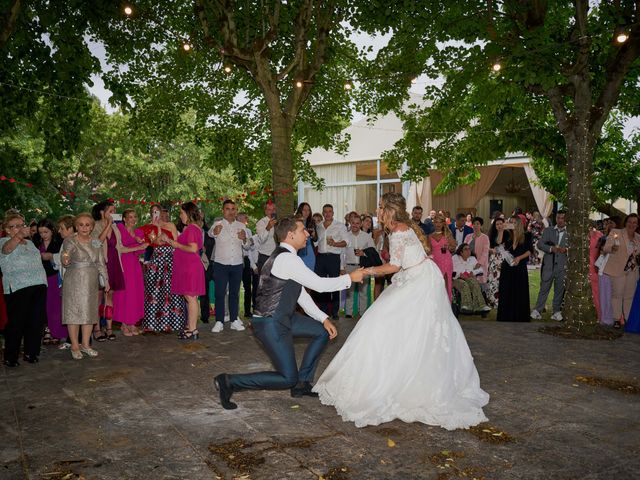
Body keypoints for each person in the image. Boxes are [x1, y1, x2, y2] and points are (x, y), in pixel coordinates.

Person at [313, 193, 489, 429]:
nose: (377, 211)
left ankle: (395, 381)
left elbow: (393, 266)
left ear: (388, 210)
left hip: (418, 282)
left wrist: (366, 271)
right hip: (421, 276)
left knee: (384, 322)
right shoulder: (404, 227)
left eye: (380, 207)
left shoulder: (396, 232)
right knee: (409, 327)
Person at [214, 216, 365, 410]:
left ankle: (302, 384)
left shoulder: (288, 258)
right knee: (287, 378)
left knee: (321, 332)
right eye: (303, 230)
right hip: (270, 323)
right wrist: (350, 278)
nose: (308, 234)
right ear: (290, 234)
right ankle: (230, 381)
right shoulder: (286, 259)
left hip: (284, 317)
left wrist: (323, 318)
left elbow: (300, 293)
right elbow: (318, 285)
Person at [0, 213, 48, 366]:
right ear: (7, 229)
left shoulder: (30, 243)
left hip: (39, 285)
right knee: (16, 323)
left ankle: (31, 353)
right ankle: (10, 357)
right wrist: (19, 236)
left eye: (22, 225)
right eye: (16, 226)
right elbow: (6, 251)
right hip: (18, 287)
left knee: (36, 321)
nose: (21, 228)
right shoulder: (3, 241)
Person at [61, 213, 109, 360]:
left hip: (91, 281)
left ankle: (86, 345)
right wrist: (66, 259)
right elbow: (65, 256)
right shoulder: (70, 240)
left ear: (92, 227)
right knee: (73, 313)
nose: (84, 227)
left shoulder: (95, 242)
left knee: (89, 313)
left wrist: (106, 280)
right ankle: (75, 346)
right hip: (73, 280)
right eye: (81, 224)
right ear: (76, 226)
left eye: (87, 225)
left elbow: (100, 262)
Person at [162, 202, 205, 339]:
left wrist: (174, 243)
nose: (180, 215)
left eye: (181, 212)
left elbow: (193, 249)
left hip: (190, 267)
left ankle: (193, 329)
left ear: (188, 213)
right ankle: (191, 327)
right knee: (189, 298)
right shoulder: (191, 228)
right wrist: (169, 241)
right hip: (187, 266)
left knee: (191, 298)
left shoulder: (192, 228)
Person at [140, 205, 186, 332]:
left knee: (170, 291)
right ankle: (151, 325)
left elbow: (176, 242)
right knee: (154, 291)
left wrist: (160, 226)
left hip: (170, 259)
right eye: (154, 212)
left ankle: (170, 324)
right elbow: (157, 242)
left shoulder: (171, 225)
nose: (156, 213)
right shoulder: (149, 227)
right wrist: (156, 227)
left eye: (158, 211)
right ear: (151, 213)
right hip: (157, 260)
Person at [210, 199, 250, 333]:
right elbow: (211, 233)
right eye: (228, 209)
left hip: (237, 264)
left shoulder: (242, 225)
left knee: (235, 293)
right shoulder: (217, 224)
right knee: (220, 294)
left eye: (233, 209)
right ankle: (219, 321)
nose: (231, 212)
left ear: (236, 211)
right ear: (223, 210)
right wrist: (215, 231)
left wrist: (244, 238)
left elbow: (248, 245)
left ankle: (234, 320)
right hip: (221, 264)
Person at [91, 200, 124, 341]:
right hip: (100, 264)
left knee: (110, 296)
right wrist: (108, 225)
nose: (113, 213)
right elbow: (96, 242)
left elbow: (120, 247)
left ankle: (109, 328)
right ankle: (97, 329)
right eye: (111, 211)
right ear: (102, 212)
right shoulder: (95, 226)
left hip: (114, 263)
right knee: (98, 297)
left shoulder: (116, 228)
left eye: (114, 211)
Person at [601, 213, 640, 328]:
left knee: (629, 296)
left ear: (637, 225)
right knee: (617, 294)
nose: (631, 224)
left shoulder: (638, 238)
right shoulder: (616, 232)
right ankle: (616, 319)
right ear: (625, 222)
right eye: (629, 222)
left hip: (632, 270)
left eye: (634, 222)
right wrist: (612, 248)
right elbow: (606, 247)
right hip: (617, 269)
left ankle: (628, 319)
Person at [113, 210, 147, 336]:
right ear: (124, 219)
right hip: (123, 264)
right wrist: (137, 245)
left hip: (134, 264)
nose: (132, 219)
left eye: (134, 217)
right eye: (130, 217)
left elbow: (140, 251)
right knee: (124, 293)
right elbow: (119, 248)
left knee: (134, 293)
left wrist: (142, 243)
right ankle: (124, 323)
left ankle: (132, 323)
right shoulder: (119, 228)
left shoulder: (139, 232)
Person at [530, 211, 568, 321]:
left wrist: (566, 250)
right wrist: (551, 249)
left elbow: (575, 249)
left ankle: (556, 311)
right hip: (549, 264)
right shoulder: (548, 230)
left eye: (562, 218)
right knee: (544, 288)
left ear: (566, 220)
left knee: (559, 290)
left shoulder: (570, 233)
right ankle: (537, 310)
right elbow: (540, 244)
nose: (560, 220)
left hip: (562, 266)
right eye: (558, 217)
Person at [314, 204, 348, 319]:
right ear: (323, 213)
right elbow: (316, 242)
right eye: (325, 212)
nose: (327, 214)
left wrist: (335, 243)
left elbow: (346, 242)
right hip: (321, 258)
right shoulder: (318, 226)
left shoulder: (340, 226)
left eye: (330, 211)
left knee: (335, 285)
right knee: (321, 284)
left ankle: (335, 311)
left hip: (333, 257)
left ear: (333, 213)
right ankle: (323, 311)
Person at [34, 218, 65, 345]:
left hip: (54, 277)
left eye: (45, 232)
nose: (43, 235)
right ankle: (47, 330)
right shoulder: (36, 241)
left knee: (55, 306)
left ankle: (57, 332)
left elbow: (64, 258)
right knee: (43, 306)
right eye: (40, 232)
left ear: (52, 230)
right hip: (40, 278)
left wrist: (51, 256)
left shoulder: (59, 242)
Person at [496, 216, 532, 322]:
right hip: (507, 266)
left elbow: (529, 251)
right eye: (510, 222)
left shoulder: (527, 235)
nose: (512, 224)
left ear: (519, 223)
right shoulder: (507, 235)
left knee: (519, 290)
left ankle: (519, 316)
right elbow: (498, 242)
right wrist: (501, 230)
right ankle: (505, 316)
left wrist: (519, 258)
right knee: (506, 289)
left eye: (514, 222)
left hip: (519, 266)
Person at [344, 215, 374, 318]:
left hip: (363, 267)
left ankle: (363, 314)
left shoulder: (367, 236)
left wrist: (364, 253)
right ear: (350, 223)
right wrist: (342, 268)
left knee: (363, 292)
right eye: (353, 223)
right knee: (349, 291)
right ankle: (348, 313)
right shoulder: (345, 236)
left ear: (361, 224)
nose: (355, 225)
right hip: (349, 266)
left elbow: (373, 252)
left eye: (357, 223)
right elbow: (342, 253)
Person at [452, 243, 491, 313]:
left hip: (469, 278)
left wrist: (473, 272)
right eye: (466, 249)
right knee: (464, 284)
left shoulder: (472, 259)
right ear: (461, 252)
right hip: (457, 279)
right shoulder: (455, 258)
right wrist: (459, 274)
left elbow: (480, 269)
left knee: (474, 282)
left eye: (469, 249)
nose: (468, 251)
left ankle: (480, 306)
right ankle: (466, 306)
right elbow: (451, 270)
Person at [428, 213, 456, 301]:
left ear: (443, 223)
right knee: (436, 284)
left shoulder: (447, 234)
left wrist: (449, 247)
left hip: (446, 260)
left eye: (440, 222)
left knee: (446, 283)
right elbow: (428, 250)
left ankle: (447, 305)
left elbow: (453, 248)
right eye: (436, 222)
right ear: (433, 223)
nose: (438, 224)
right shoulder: (429, 236)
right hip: (434, 262)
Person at [486, 217, 510, 308]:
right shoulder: (491, 234)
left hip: (504, 259)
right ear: (494, 226)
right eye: (497, 224)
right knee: (494, 279)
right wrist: (491, 250)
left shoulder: (507, 234)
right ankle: (493, 301)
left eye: (501, 224)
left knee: (503, 280)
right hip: (494, 260)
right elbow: (489, 247)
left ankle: (504, 301)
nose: (499, 226)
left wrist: (502, 231)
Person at [464, 217, 489, 284]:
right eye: (474, 224)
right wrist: (472, 239)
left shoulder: (485, 237)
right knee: (469, 281)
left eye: (478, 224)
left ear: (481, 225)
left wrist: (480, 263)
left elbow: (485, 252)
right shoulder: (468, 236)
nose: (475, 225)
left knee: (480, 282)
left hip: (480, 263)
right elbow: (464, 248)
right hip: (469, 262)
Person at [255, 201, 277, 273]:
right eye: (269, 210)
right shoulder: (261, 223)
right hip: (265, 258)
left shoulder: (279, 222)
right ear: (265, 211)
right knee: (264, 282)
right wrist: (268, 227)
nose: (272, 211)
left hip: (278, 257)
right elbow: (261, 240)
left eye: (273, 209)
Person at [295, 202, 317, 271]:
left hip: (310, 249)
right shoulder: (296, 221)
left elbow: (316, 239)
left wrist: (313, 235)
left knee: (310, 270)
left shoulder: (311, 222)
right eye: (304, 210)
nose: (306, 212)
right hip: (300, 249)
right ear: (300, 210)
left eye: (308, 210)